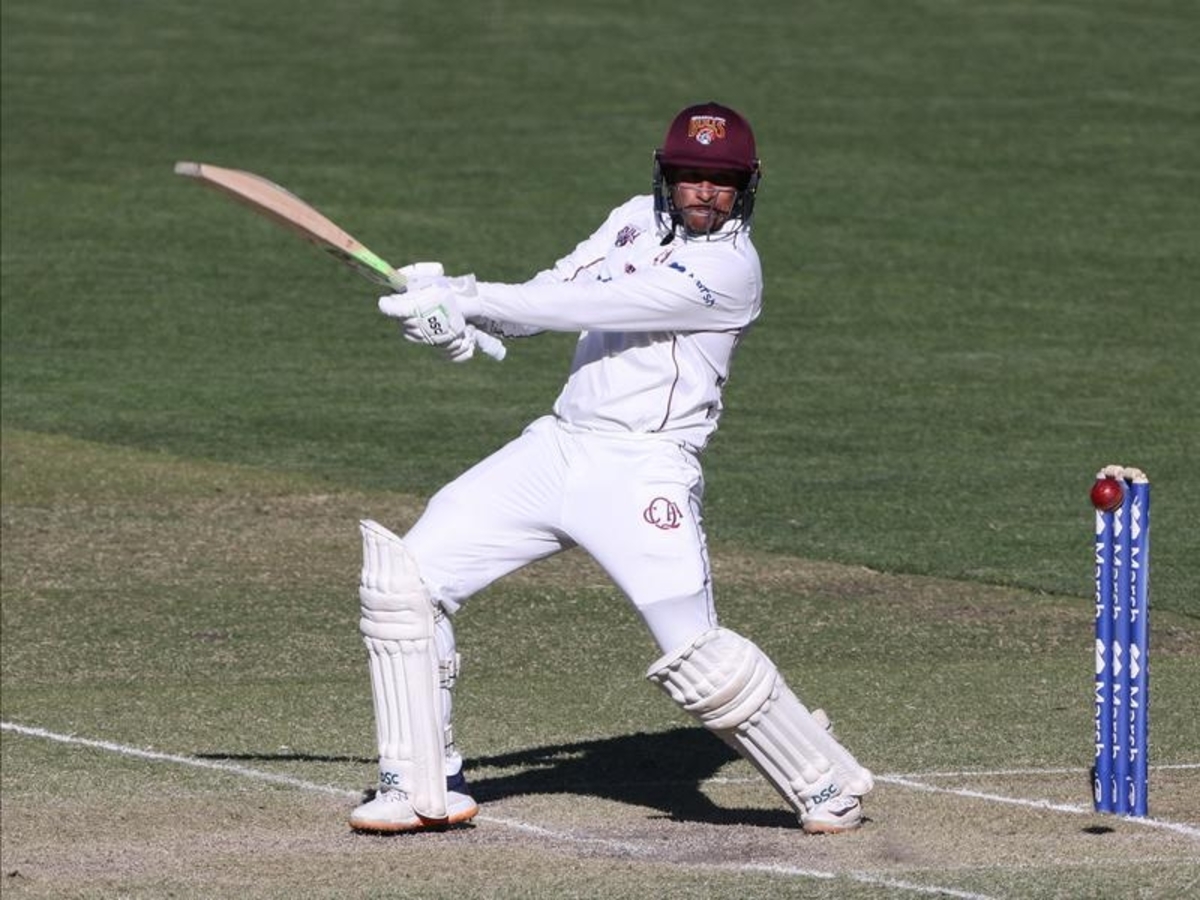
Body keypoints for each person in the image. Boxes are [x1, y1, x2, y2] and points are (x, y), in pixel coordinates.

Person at [350, 101, 874, 836]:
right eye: (690, 175)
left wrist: (465, 295)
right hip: (558, 446)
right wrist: (461, 317)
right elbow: (552, 292)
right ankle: (420, 784)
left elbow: (597, 303)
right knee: (405, 583)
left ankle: (826, 782)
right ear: (666, 175)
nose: (704, 192)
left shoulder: (730, 270)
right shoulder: (631, 218)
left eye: (722, 181)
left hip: (643, 468)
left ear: (746, 185)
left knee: (699, 657)